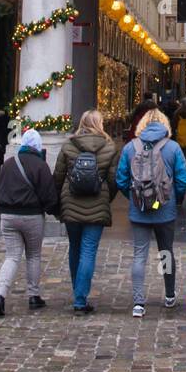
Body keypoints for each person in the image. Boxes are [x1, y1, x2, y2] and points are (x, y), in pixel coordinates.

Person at [116, 107, 186, 316]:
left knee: (139, 254)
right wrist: (174, 198)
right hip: (164, 210)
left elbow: (121, 179)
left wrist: (134, 197)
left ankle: (139, 303)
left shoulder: (131, 147)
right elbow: (183, 177)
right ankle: (169, 295)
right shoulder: (173, 147)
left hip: (139, 209)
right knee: (165, 252)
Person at [54, 109, 119, 315]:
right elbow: (113, 180)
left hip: (71, 202)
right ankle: (80, 299)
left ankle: (78, 292)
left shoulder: (68, 145)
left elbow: (58, 176)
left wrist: (58, 202)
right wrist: (106, 198)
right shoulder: (109, 146)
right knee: (88, 250)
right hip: (96, 204)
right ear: (100, 124)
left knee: (74, 248)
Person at [0, 128, 59, 317]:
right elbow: (49, 194)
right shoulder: (40, 165)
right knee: (33, 255)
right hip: (31, 216)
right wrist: (54, 210)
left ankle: (0, 294)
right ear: (38, 146)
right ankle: (33, 295)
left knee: (12, 256)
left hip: (8, 216)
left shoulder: (8, 164)